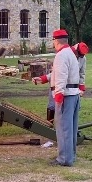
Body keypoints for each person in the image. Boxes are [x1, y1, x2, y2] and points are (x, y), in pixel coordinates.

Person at [32, 29, 81, 166]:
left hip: (65, 96)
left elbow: (61, 78)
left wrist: (58, 97)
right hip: (73, 94)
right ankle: (70, 156)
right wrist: (43, 79)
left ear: (56, 41)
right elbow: (57, 74)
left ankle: (64, 159)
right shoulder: (70, 53)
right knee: (70, 128)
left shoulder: (61, 55)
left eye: (53, 41)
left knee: (63, 128)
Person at [37, 42, 89, 121]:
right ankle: (49, 126)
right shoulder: (64, 55)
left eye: (81, 56)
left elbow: (82, 73)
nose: (79, 57)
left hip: (72, 89)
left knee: (72, 109)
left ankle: (71, 128)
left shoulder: (83, 59)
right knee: (52, 106)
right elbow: (58, 73)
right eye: (78, 55)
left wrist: (81, 87)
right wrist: (44, 78)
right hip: (58, 85)